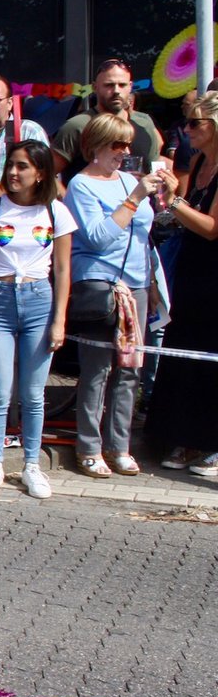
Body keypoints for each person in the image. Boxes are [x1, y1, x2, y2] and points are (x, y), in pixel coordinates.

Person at [0, 139, 74, 498]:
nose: (13, 173)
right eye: (11, 165)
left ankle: (32, 465)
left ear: (41, 172)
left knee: (33, 394)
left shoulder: (55, 212)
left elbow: (62, 269)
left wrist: (59, 319)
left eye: (23, 166)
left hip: (38, 302)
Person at [62, 114, 163, 478]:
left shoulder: (129, 180)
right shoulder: (81, 186)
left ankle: (119, 445)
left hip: (136, 283)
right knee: (97, 369)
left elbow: (145, 234)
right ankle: (89, 446)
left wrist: (151, 284)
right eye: (116, 145)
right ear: (95, 146)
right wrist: (135, 198)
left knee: (129, 371)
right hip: (101, 285)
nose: (124, 153)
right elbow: (97, 237)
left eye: (128, 145)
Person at [144, 92, 218, 475]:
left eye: (194, 123)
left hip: (213, 273)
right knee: (184, 349)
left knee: (209, 356)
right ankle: (181, 435)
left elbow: (211, 228)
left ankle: (209, 443)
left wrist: (173, 204)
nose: (186, 130)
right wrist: (173, 199)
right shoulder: (201, 159)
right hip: (191, 269)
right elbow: (191, 210)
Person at [52, 59, 163, 183]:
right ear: (95, 87)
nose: (116, 91)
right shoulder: (78, 126)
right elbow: (47, 175)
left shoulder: (144, 123)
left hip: (141, 200)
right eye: (109, 85)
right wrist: (69, 198)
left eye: (122, 85)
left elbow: (156, 168)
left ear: (130, 87)